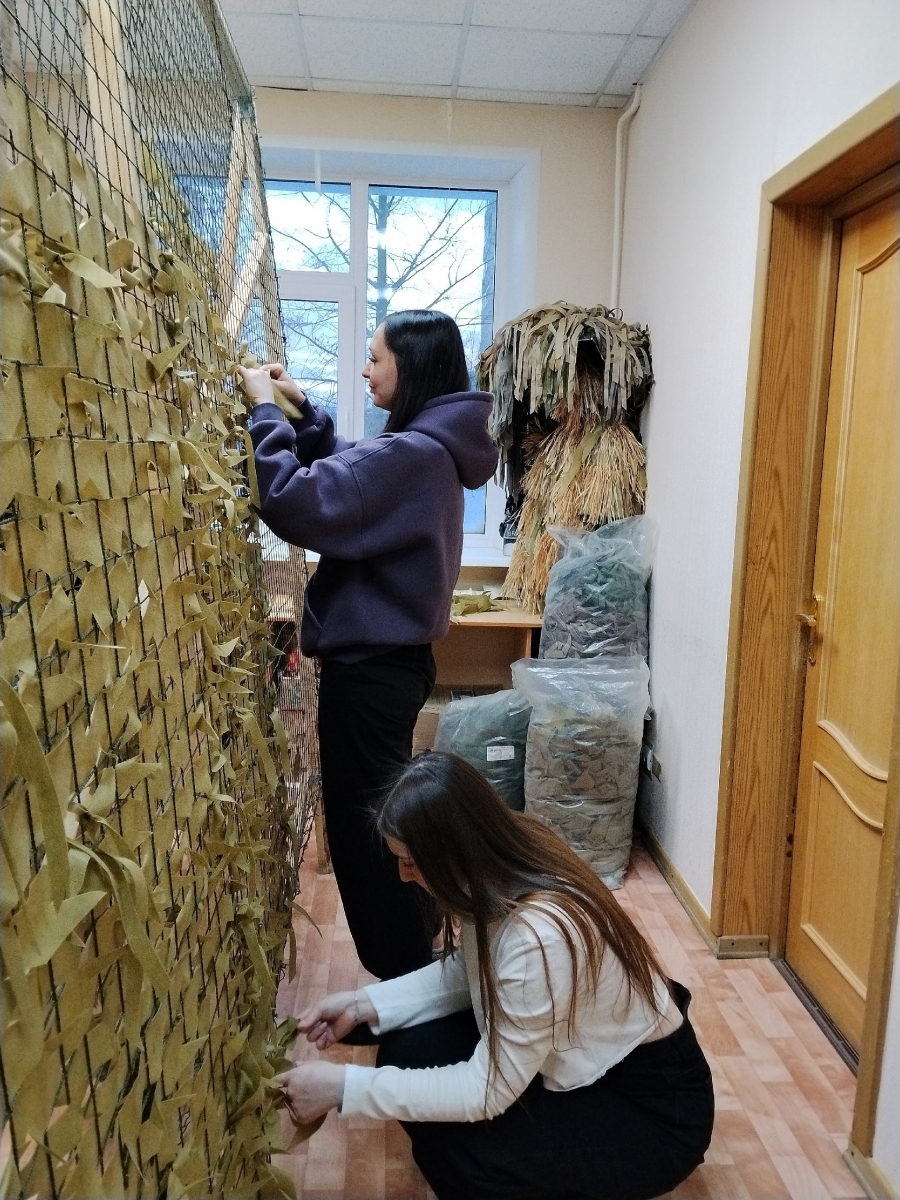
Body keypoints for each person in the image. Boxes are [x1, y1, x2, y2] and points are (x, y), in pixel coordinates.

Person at [277, 753, 715, 1200]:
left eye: (410, 861)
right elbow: (470, 969)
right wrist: (361, 1005)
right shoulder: (499, 859)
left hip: (653, 1110)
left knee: (464, 1163)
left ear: (449, 854)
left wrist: (342, 1088)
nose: (403, 876)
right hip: (590, 1059)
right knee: (407, 1053)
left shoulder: (538, 937)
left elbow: (485, 1092)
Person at [239, 312, 498, 986]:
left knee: (369, 837)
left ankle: (406, 980)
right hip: (393, 668)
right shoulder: (430, 450)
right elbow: (354, 472)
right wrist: (304, 412)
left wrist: (264, 414)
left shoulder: (412, 455)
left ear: (410, 368)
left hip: (369, 674)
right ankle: (419, 961)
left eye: (376, 357)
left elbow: (294, 501)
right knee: (390, 821)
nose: (365, 368)